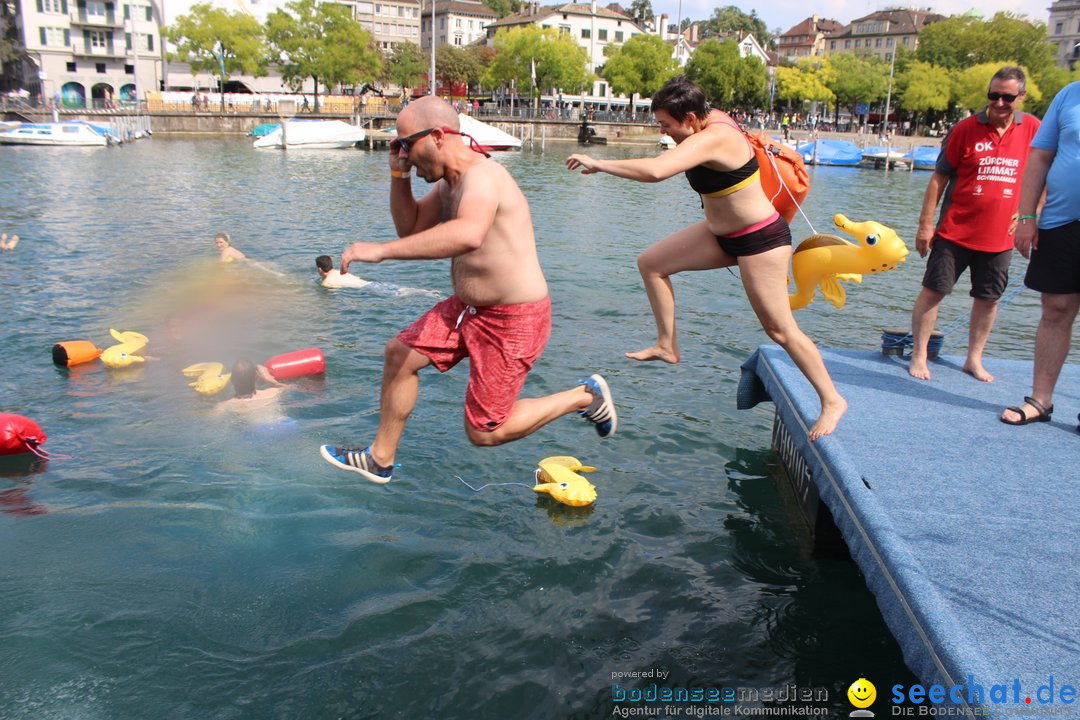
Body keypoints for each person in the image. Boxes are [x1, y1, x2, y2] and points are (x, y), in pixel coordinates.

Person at [319, 96, 616, 484]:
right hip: (468, 308)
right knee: (399, 355)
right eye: (399, 147)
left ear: (439, 136)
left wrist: (378, 253)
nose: (404, 154)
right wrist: (398, 176)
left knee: (485, 430)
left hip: (513, 318)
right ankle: (379, 459)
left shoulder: (484, 177)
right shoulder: (450, 186)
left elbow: (468, 234)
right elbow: (409, 229)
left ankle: (586, 396)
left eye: (406, 144)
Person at [564, 75, 845, 441]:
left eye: (667, 125)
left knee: (779, 330)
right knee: (651, 264)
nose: (665, 132)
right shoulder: (709, 121)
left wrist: (599, 163)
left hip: (759, 238)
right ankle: (667, 344)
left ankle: (832, 400)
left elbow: (656, 170)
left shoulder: (716, 136)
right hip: (721, 233)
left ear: (693, 118)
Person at [907, 67, 1041, 383]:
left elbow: (1042, 173)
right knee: (933, 292)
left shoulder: (1033, 129)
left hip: (1000, 239)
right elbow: (939, 178)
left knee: (988, 299)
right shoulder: (964, 129)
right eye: (993, 95)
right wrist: (926, 225)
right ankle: (919, 354)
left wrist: (1029, 215)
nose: (999, 103)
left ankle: (973, 359)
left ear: (1021, 97)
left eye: (1007, 97)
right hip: (954, 233)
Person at [1000, 79, 1080, 426]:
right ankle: (1041, 400)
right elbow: (1041, 156)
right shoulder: (1069, 95)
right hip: (1063, 219)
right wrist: (1028, 215)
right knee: (1056, 307)